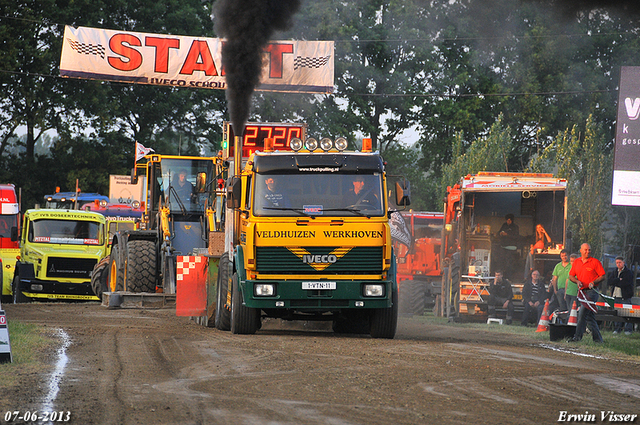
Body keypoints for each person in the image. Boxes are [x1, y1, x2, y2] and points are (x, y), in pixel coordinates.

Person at [568, 243, 605, 343]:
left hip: (592, 292)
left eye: (589, 250)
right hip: (582, 292)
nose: (588, 252)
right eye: (586, 250)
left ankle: (577, 337)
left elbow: (602, 276)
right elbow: (571, 276)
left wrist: (594, 282)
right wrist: (577, 281)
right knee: (590, 317)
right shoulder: (576, 262)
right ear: (581, 250)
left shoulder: (595, 262)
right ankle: (598, 340)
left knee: (582, 314)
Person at [607, 256, 635, 335]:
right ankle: (617, 329)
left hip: (625, 296)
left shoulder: (628, 272)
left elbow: (625, 283)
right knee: (617, 314)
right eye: (617, 263)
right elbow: (609, 281)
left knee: (627, 313)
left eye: (619, 262)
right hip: (615, 296)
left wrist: (616, 281)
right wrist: (618, 280)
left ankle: (628, 330)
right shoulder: (615, 271)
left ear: (623, 263)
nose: (618, 264)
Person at [548, 249, 570, 314]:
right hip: (560, 290)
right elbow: (554, 278)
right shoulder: (558, 266)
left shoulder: (571, 265)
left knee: (569, 306)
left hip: (570, 290)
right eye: (562, 256)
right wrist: (555, 290)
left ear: (568, 255)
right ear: (560, 257)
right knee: (562, 307)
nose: (564, 257)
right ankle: (562, 320)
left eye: (565, 255)